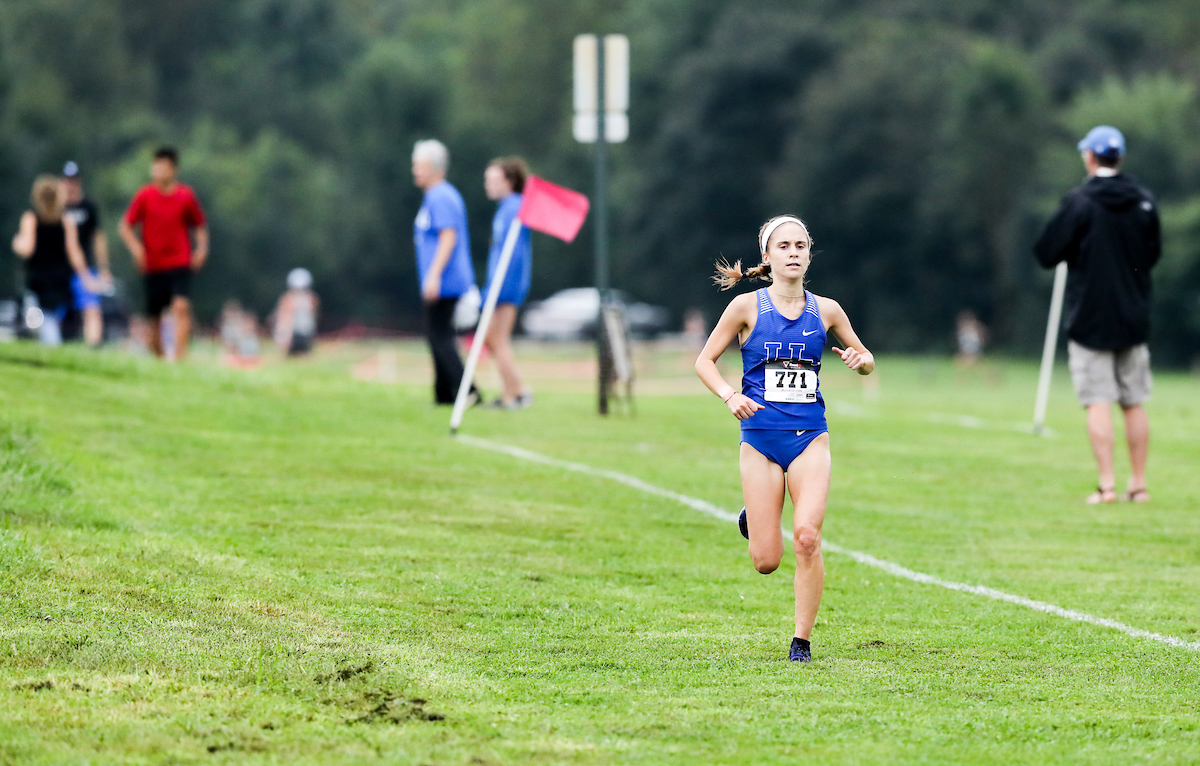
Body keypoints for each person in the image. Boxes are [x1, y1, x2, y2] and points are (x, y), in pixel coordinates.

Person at [694, 215, 875, 663]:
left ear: (809, 254)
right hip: (759, 439)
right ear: (768, 257)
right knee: (766, 561)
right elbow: (704, 361)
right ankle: (752, 521)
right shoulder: (746, 308)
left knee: (807, 537)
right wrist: (729, 395)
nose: (793, 253)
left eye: (800, 245)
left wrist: (860, 361)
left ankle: (802, 641)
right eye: (784, 246)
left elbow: (867, 357)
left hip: (810, 437)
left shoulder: (827, 310)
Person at [1034, 126, 1160, 504]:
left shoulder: (1080, 201)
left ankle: (1107, 485)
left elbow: (1046, 252)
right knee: (1133, 400)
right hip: (1134, 315)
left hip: (1090, 317)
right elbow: (1152, 256)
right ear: (1118, 157)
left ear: (1090, 157)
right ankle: (1137, 484)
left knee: (1098, 400)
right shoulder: (1144, 201)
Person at [119, 147, 208, 361]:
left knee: (181, 306)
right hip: (153, 263)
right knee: (154, 318)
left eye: (163, 167)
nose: (158, 170)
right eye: (156, 166)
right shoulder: (145, 195)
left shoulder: (185, 195)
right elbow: (126, 226)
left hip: (179, 260)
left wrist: (202, 249)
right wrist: (137, 248)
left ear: (173, 169)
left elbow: (199, 225)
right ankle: (158, 357)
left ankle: (179, 357)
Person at [411, 139, 480, 405]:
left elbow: (448, 238)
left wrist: (434, 275)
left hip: (446, 279)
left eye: (419, 165)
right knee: (435, 335)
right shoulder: (434, 196)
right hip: (440, 278)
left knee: (440, 335)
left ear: (432, 167)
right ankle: (443, 394)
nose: (415, 170)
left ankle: (467, 390)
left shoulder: (441, 196)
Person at [11, 175, 102, 345]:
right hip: (60, 278)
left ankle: (48, 342)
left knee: (41, 315)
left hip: (38, 278)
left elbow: (27, 248)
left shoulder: (31, 219)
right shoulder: (66, 221)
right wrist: (86, 277)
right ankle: (48, 339)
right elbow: (74, 252)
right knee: (51, 314)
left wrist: (17, 242)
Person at [482, 157, 533, 409]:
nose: (488, 185)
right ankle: (513, 391)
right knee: (493, 339)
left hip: (506, 284)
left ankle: (516, 393)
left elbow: (512, 254)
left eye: (493, 180)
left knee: (496, 338)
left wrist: (497, 288)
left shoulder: (514, 206)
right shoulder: (505, 207)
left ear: (509, 181)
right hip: (500, 284)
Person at [62, 161, 112, 347]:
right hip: (59, 268)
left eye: (73, 181)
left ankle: (93, 346)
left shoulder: (89, 207)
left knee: (91, 308)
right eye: (67, 180)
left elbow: (98, 238)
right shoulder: (57, 208)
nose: (70, 185)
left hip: (85, 267)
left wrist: (104, 268)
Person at [272, 267, 319, 356]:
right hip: (301, 335)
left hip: (297, 335)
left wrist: (282, 336)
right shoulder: (311, 298)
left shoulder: (288, 298)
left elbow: (285, 319)